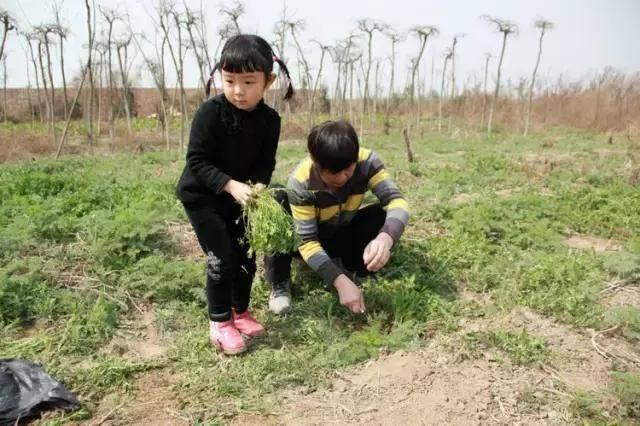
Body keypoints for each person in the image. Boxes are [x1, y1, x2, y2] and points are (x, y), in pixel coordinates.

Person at [175, 34, 293, 355]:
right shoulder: (210, 113)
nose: (238, 90)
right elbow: (196, 161)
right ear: (220, 77)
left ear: (268, 81)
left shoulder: (270, 121)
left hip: (241, 198)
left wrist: (257, 186)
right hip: (203, 196)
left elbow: (265, 162)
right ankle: (220, 322)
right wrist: (230, 185)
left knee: (245, 256)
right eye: (229, 80)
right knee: (223, 257)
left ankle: (240, 312)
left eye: (248, 81)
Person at [264, 120, 410, 314]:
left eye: (348, 170)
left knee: (380, 216)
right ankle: (279, 281)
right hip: (303, 240)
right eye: (333, 173)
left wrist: (385, 239)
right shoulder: (301, 181)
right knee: (276, 198)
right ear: (316, 163)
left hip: (340, 229)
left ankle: (351, 267)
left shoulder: (367, 162)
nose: (341, 178)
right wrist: (340, 283)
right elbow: (307, 241)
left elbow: (397, 201)